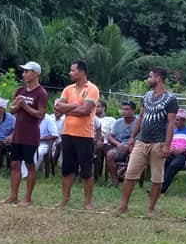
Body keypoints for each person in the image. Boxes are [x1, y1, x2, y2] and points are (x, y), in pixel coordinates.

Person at [117, 67, 177, 215]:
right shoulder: (147, 96)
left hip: (159, 143)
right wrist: (133, 137)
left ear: (158, 78)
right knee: (130, 174)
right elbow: (141, 117)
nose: (148, 79)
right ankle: (123, 206)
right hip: (141, 141)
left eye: (150, 76)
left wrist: (167, 145)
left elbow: (171, 123)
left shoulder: (171, 99)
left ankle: (150, 208)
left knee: (157, 178)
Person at [55, 60, 100, 210]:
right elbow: (57, 107)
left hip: (84, 136)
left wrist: (66, 109)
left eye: (73, 70)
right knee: (67, 169)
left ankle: (88, 202)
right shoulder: (68, 89)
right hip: (67, 134)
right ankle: (65, 199)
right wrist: (74, 106)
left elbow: (85, 110)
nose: (70, 73)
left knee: (86, 170)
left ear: (82, 72)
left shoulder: (92, 89)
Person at [4, 61, 48, 205]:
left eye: (27, 71)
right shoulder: (20, 90)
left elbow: (40, 114)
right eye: (23, 71)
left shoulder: (41, 93)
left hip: (31, 136)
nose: (24, 74)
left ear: (35, 74)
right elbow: (11, 110)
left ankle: (27, 198)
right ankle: (13, 196)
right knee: (15, 164)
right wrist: (17, 104)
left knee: (30, 166)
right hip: (17, 134)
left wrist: (24, 105)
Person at [161, 108, 186, 193]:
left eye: (177, 120)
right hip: (171, 153)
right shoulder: (173, 131)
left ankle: (162, 189)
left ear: (184, 121)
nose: (175, 121)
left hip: (183, 155)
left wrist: (184, 149)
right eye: (174, 119)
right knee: (161, 163)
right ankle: (157, 187)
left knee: (173, 165)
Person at [105, 101, 137, 185]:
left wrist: (131, 146)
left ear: (133, 111)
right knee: (110, 155)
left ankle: (127, 180)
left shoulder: (138, 123)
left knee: (133, 156)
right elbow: (110, 136)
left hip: (134, 148)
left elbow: (141, 139)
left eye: (127, 109)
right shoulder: (118, 122)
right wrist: (117, 144)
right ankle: (115, 181)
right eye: (122, 109)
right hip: (119, 147)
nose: (124, 111)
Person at [93, 99, 115, 180]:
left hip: (106, 142)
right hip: (93, 141)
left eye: (98, 106)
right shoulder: (92, 118)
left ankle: (107, 177)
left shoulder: (110, 119)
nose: (96, 108)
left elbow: (113, 134)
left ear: (104, 108)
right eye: (95, 107)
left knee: (105, 148)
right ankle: (95, 176)